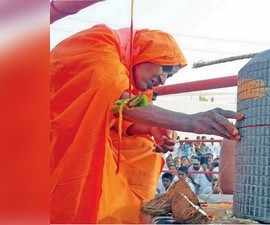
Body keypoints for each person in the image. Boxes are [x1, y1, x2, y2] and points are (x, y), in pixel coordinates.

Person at [50, 24, 243, 223]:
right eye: (165, 69)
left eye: (170, 76)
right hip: (46, 131)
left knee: (143, 147)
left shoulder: (130, 80)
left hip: (85, 132)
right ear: (142, 52)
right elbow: (114, 99)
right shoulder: (98, 45)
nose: (163, 80)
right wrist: (189, 121)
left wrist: (150, 127)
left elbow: (120, 117)